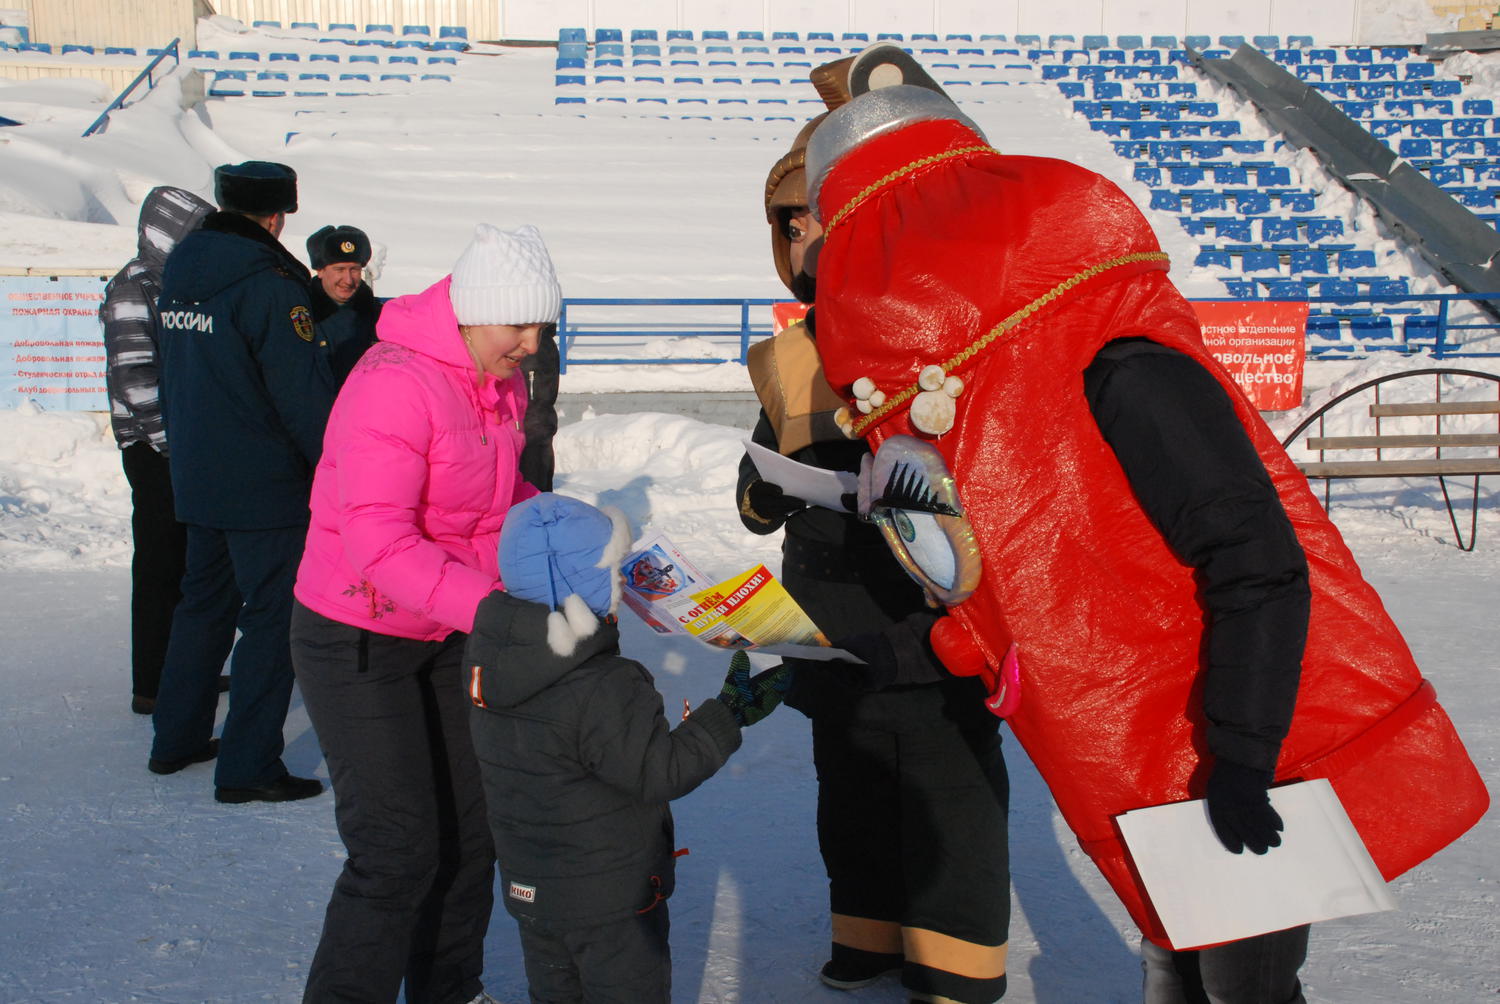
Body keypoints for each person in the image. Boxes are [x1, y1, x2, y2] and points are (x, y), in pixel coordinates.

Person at [800, 47, 1489, 1002]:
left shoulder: (1126, 370)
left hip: (1231, 758)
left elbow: (1259, 565)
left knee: (1238, 983)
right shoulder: (977, 407)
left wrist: (1244, 760)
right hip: (1135, 774)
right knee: (1178, 967)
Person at [736, 89, 1010, 1004]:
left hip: (923, 594)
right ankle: (868, 926)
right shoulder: (791, 347)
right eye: (789, 223)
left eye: (814, 216)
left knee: (946, 783)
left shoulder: (940, 317)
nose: (802, 236)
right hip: (829, 596)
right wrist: (765, 482)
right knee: (848, 773)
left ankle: (956, 956)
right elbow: (771, 448)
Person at [290, 223, 560, 1004]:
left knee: (471, 833)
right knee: (396, 848)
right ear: (474, 312)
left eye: (542, 325)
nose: (532, 344)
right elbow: (377, 539)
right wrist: (497, 609)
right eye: (519, 324)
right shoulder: (396, 382)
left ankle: (449, 989)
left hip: (443, 631)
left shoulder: (495, 380)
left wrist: (573, 534)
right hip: (357, 636)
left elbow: (494, 500)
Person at [465, 492, 792, 1004]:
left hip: (533, 892)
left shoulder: (491, 662)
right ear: (579, 581)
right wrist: (727, 713)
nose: (622, 580)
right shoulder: (602, 685)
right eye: (611, 569)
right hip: (610, 901)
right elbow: (658, 771)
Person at [149, 161, 337, 804]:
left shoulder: (181, 269)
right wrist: (333, 471)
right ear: (279, 215)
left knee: (202, 605)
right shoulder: (270, 284)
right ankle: (249, 763)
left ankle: (175, 738)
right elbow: (300, 395)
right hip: (262, 481)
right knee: (272, 618)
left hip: (198, 470)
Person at [100, 185, 218, 716]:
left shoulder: (175, 286)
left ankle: (184, 666)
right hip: (153, 450)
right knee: (159, 564)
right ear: (166, 233)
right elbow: (136, 378)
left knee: (190, 565)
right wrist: (175, 445)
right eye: (192, 235)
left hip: (182, 445)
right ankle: (152, 683)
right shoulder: (134, 288)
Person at [306, 223, 380, 384]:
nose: (348, 280)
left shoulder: (378, 316)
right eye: (339, 269)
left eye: (354, 270)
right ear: (320, 270)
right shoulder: (300, 312)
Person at [517, 322, 559, 491]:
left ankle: (536, 497)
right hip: (530, 339)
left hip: (533, 350)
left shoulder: (534, 343)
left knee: (533, 428)